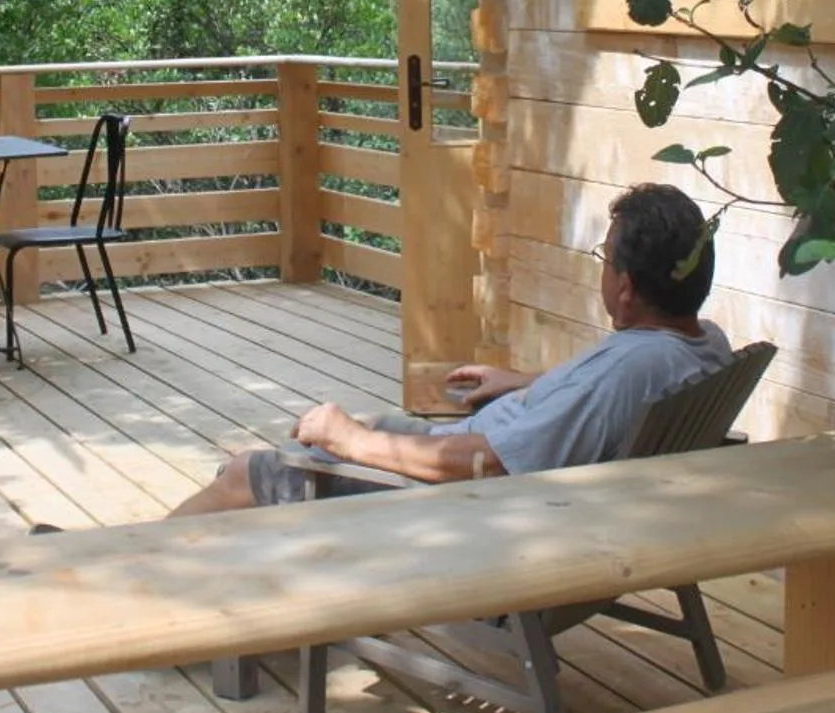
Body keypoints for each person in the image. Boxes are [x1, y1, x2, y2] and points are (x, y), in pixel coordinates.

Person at [166, 181, 731, 518]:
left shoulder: (632, 368)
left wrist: (353, 441)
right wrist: (523, 382)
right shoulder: (700, 345)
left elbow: (487, 464)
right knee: (319, 445)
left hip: (471, 513)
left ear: (626, 288)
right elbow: (593, 404)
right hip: (492, 475)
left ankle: (116, 570)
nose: (602, 271)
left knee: (250, 472)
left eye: (605, 259)